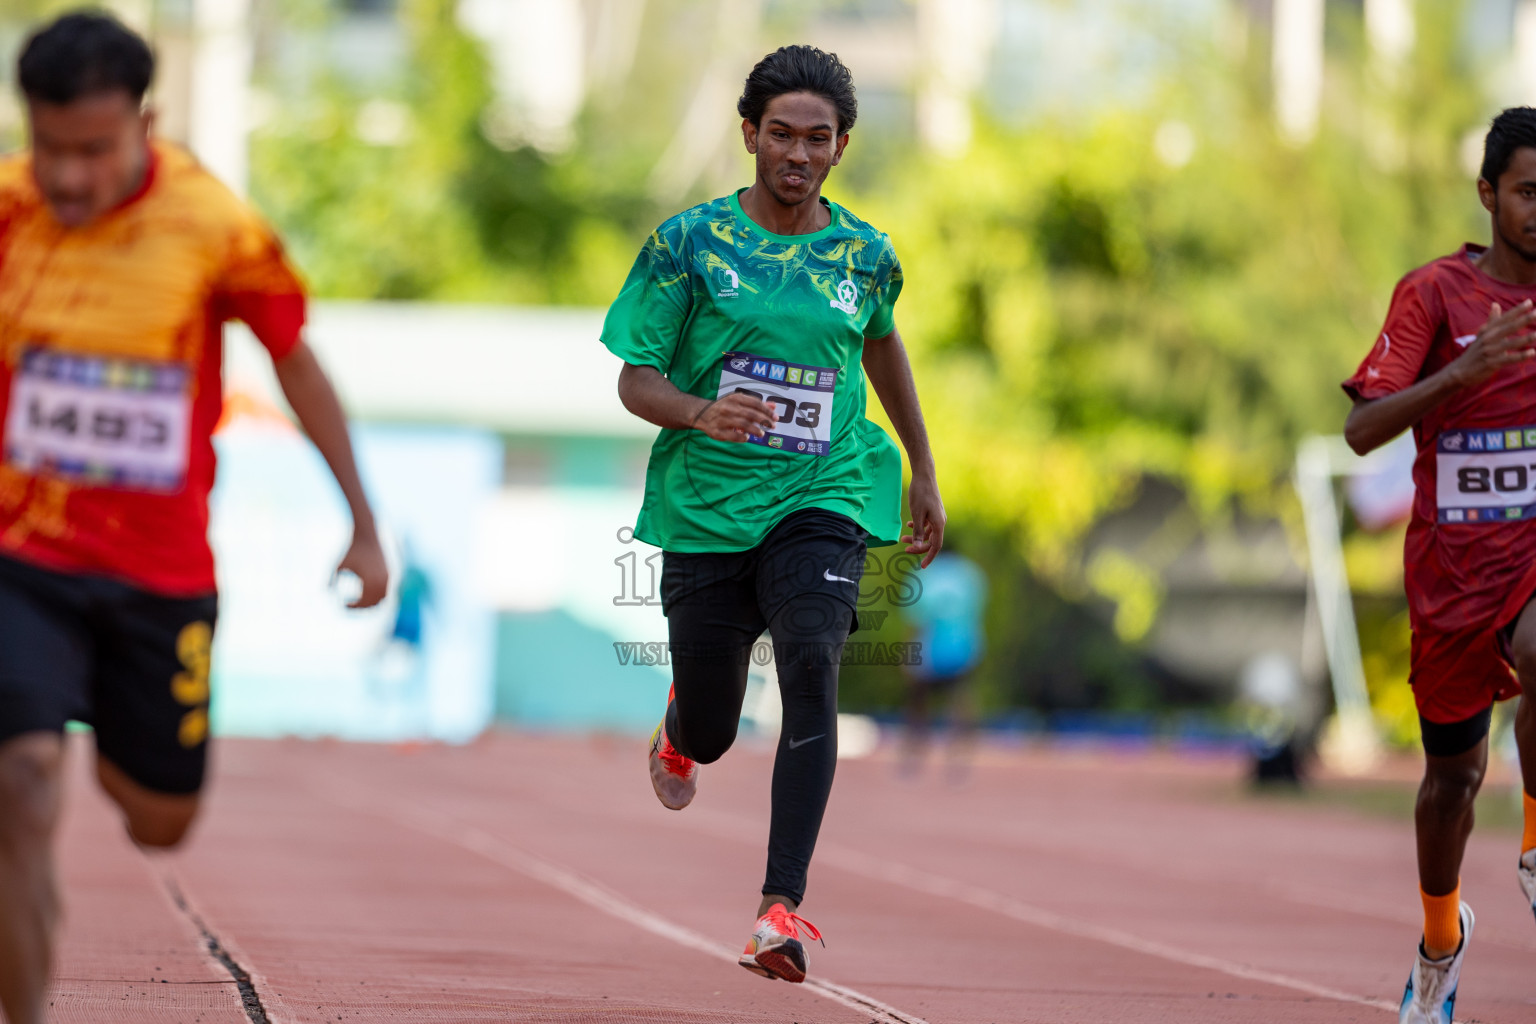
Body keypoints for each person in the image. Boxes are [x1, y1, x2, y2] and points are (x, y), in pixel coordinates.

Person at [0, 13, 388, 1024]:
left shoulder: (214, 225)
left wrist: (362, 520)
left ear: (146, 120)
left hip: (156, 578)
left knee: (160, 820)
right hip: (19, 557)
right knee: (24, 780)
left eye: (95, 150)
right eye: (51, 150)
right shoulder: (6, 213)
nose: (71, 178)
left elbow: (296, 361)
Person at [600, 45, 943, 984]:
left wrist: (921, 464)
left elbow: (882, 352)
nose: (798, 153)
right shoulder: (688, 245)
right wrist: (704, 410)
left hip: (823, 492)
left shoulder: (864, 255)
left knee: (812, 662)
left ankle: (778, 910)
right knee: (713, 729)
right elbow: (635, 378)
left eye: (818, 139)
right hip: (708, 507)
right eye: (781, 134)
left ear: (840, 149)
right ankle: (682, 724)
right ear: (750, 135)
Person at [1342, 106, 1536, 1024]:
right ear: (1489, 194)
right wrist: (1462, 375)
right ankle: (1439, 941)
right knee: (1448, 785)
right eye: (1530, 192)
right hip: (1454, 570)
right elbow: (1362, 430)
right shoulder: (1433, 296)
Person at [899, 546, 985, 778]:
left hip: (931, 644)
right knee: (959, 699)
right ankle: (960, 759)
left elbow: (916, 618)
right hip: (962, 646)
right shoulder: (970, 574)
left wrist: (909, 653)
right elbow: (976, 613)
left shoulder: (924, 572)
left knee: (918, 700)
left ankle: (914, 755)